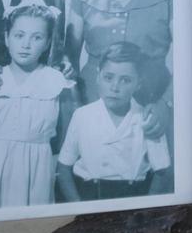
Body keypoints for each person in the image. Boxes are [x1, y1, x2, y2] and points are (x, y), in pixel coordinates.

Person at [0, 4, 73, 210]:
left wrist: (49, 171)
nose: (26, 45)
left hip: (36, 170)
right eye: (19, 35)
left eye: (37, 37)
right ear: (7, 38)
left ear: (48, 42)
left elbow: (67, 143)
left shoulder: (58, 83)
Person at [56, 42, 171, 201]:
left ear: (138, 84)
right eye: (108, 78)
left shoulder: (147, 118)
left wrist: (146, 208)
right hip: (89, 196)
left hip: (132, 198)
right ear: (98, 76)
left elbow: (162, 172)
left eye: (125, 80)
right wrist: (78, 205)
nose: (115, 87)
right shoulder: (82, 116)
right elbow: (63, 169)